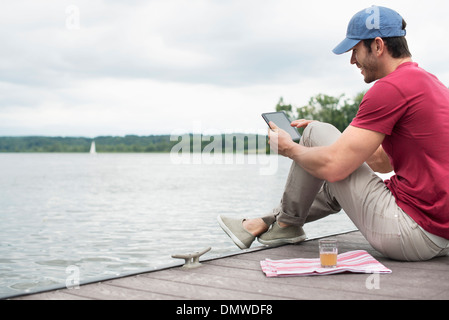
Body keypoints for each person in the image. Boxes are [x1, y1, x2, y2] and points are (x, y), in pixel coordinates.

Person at [217, 5, 449, 261]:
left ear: (378, 46)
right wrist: (342, 142)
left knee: (318, 134)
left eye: (355, 50)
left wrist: (290, 148)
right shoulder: (430, 83)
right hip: (439, 234)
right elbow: (382, 162)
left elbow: (335, 168)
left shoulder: (390, 88)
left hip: (412, 233)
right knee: (332, 175)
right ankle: (271, 222)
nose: (352, 61)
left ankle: (284, 225)